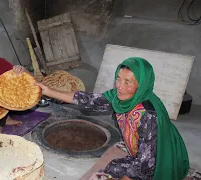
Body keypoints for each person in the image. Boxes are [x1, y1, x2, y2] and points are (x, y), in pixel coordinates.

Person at [35, 57, 190, 180]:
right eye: (118, 79)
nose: (119, 87)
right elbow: (87, 100)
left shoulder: (149, 115)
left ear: (141, 85)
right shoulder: (119, 98)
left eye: (127, 82)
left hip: (163, 160)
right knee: (113, 168)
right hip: (142, 156)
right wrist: (48, 91)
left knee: (130, 173)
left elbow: (146, 164)